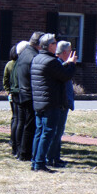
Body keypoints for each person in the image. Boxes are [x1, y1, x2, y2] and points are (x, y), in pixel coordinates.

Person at [30, 34, 77, 172]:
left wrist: (66, 63)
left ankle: (35, 161)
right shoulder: (51, 61)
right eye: (55, 43)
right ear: (49, 45)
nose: (56, 45)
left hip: (39, 101)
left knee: (39, 132)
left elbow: (57, 72)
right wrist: (72, 64)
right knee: (48, 132)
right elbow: (65, 76)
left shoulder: (37, 58)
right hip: (51, 102)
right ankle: (40, 163)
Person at [16, 31, 44, 161]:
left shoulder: (24, 53)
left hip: (22, 91)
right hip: (29, 93)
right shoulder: (32, 56)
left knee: (23, 123)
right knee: (30, 125)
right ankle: (25, 153)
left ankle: (20, 150)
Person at [46, 41, 75, 168]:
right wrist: (71, 64)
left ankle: (55, 157)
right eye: (69, 51)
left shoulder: (61, 64)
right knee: (56, 132)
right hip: (60, 103)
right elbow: (64, 76)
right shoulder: (57, 63)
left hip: (64, 103)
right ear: (64, 52)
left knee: (58, 132)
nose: (71, 53)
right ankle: (51, 158)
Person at [3, 45, 19, 154]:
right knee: (18, 118)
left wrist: (8, 91)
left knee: (14, 117)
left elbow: (5, 80)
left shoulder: (8, 64)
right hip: (17, 93)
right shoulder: (18, 64)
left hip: (11, 94)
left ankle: (12, 139)